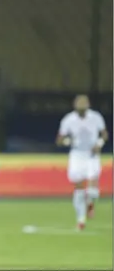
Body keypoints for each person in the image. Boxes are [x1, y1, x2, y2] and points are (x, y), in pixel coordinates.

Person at [56, 95, 109, 231]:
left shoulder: (96, 117)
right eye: (79, 103)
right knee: (79, 189)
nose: (81, 106)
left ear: (88, 104)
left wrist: (99, 144)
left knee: (92, 189)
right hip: (77, 155)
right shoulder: (68, 120)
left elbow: (104, 134)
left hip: (91, 155)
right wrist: (70, 141)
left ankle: (90, 202)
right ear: (75, 105)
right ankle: (81, 220)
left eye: (84, 103)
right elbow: (59, 140)